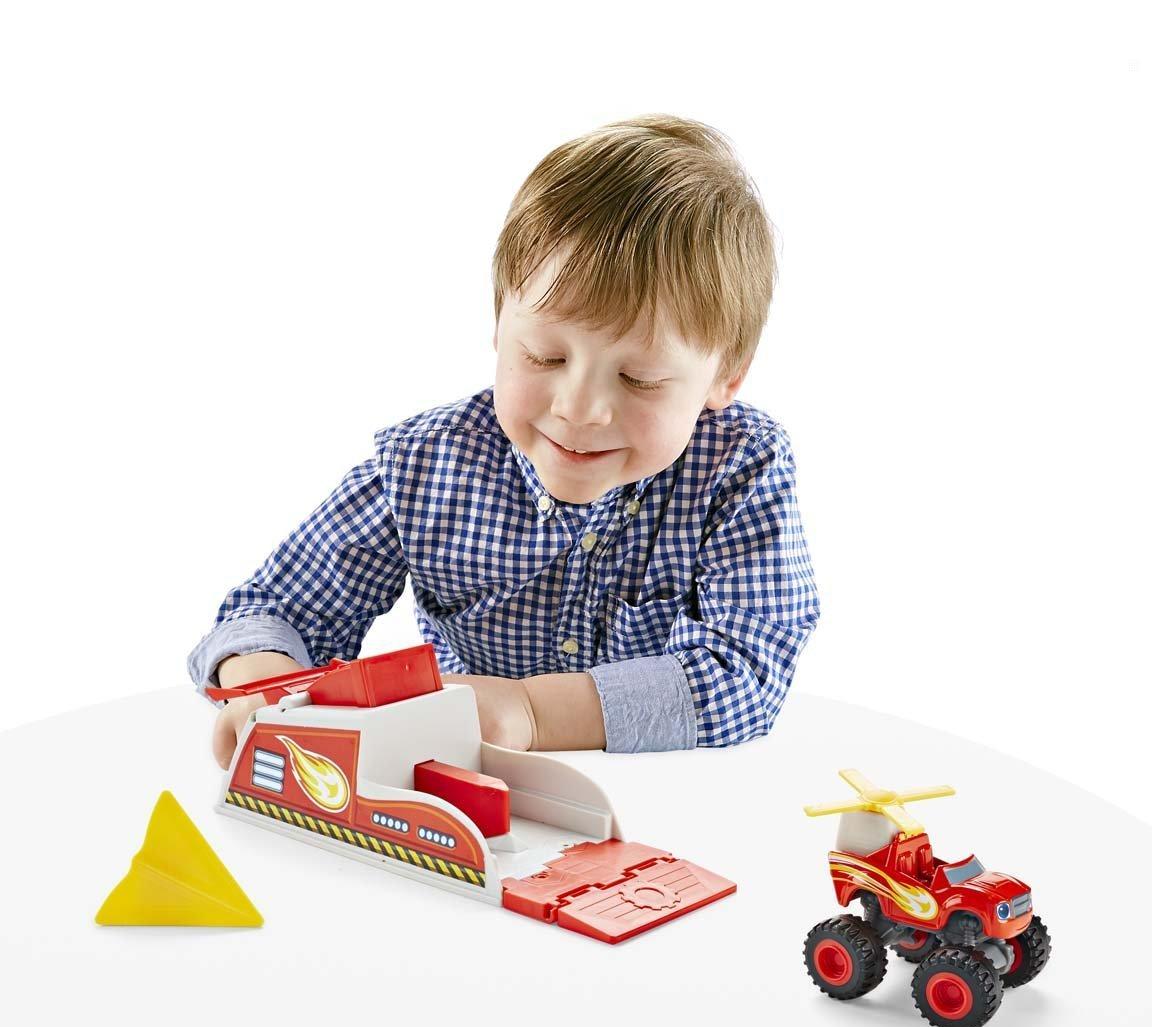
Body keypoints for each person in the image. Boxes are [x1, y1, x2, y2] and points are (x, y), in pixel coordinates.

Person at [187, 113, 820, 769]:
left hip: (674, 799)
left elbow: (749, 673)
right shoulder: (428, 464)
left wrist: (531, 710)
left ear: (725, 377)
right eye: (545, 357)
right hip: (465, 789)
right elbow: (273, 609)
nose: (578, 409)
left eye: (640, 379)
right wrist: (264, 688)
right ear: (499, 326)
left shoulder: (741, 470)